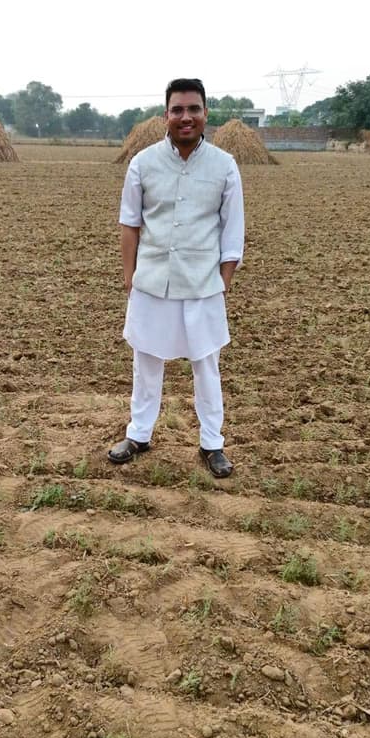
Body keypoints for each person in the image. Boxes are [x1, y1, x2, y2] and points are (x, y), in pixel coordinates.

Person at [107, 78, 245, 478]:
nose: (186, 117)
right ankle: (139, 434)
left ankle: (212, 443)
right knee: (146, 361)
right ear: (165, 115)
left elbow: (232, 231)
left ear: (205, 114)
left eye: (194, 109)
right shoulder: (143, 163)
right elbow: (129, 224)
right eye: (178, 110)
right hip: (151, 281)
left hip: (203, 285)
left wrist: (223, 281)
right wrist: (130, 278)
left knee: (207, 365)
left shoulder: (224, 166)